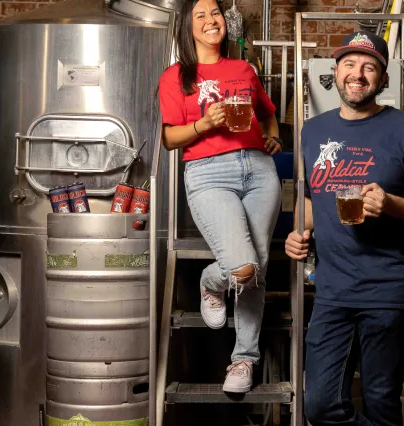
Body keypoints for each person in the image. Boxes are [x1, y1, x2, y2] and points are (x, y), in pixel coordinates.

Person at [285, 31, 404, 425]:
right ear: (336, 71)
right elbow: (310, 199)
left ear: (382, 79)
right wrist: (297, 233)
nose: (357, 74)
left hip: (388, 289)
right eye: (349, 64)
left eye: (369, 67)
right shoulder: (313, 131)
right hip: (333, 290)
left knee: (380, 399)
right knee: (320, 405)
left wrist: (390, 203)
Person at [158, 0, 282, 393]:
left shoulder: (243, 69)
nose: (211, 21)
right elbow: (168, 138)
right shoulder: (176, 76)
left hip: (259, 171)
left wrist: (274, 135)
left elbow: (266, 112)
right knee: (245, 268)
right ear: (187, 27)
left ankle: (243, 360)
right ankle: (212, 283)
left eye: (215, 13)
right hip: (209, 173)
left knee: (257, 269)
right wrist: (202, 123)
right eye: (201, 15)